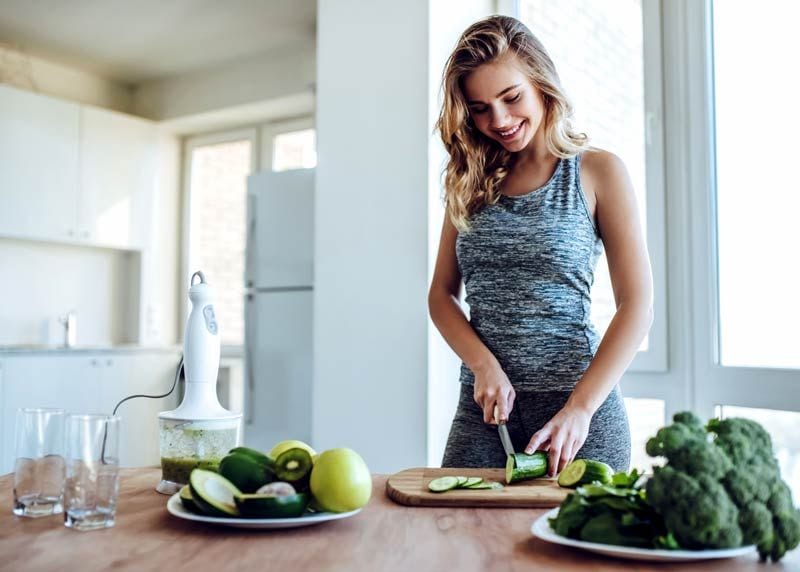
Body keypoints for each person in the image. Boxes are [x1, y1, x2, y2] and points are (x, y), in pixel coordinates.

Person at [429, 15, 653, 475]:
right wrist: (482, 365)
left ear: (541, 84)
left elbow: (638, 304)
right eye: (480, 108)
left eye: (511, 98)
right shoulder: (466, 181)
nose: (500, 120)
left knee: (574, 547)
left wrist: (581, 409)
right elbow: (441, 296)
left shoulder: (597, 172)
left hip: (579, 414)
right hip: (485, 415)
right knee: (461, 544)